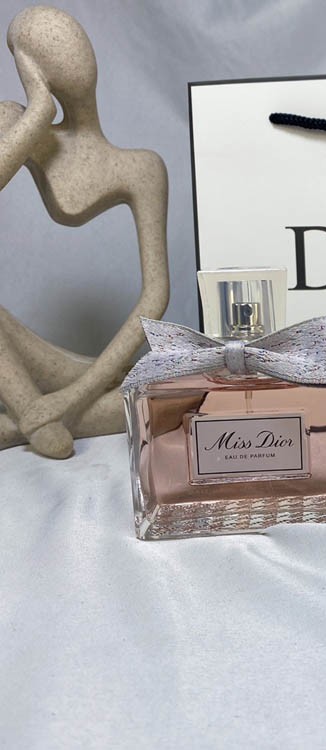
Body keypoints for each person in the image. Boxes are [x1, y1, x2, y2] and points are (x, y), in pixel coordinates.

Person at [0, 6, 169, 458]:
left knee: (156, 397)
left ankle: (17, 424)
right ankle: (30, 411)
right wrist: (39, 112)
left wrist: (71, 397)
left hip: (97, 372)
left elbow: (155, 297)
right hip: (31, 359)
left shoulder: (142, 167)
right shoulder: (18, 125)